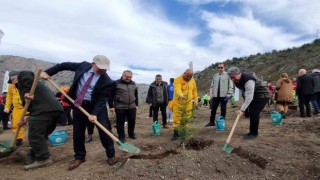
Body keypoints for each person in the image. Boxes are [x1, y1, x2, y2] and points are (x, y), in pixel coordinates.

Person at [41, 55, 117, 170]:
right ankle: (80, 156)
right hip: (79, 105)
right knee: (78, 132)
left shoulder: (107, 81)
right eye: (100, 67)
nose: (103, 70)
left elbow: (102, 100)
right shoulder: (83, 66)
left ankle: (111, 154)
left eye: (105, 68)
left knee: (104, 131)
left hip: (96, 107)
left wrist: (94, 114)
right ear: (93, 64)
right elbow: (63, 65)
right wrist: (48, 72)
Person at [17, 71, 64, 170]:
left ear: (15, 79)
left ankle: (43, 159)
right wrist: (27, 116)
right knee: (41, 135)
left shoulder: (24, 82)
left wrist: (25, 91)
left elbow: (27, 74)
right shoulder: (37, 87)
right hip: (54, 110)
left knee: (35, 136)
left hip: (43, 110)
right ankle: (33, 154)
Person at [227, 67, 269, 139]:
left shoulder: (248, 80)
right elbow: (240, 91)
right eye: (231, 78)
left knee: (254, 112)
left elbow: (249, 97)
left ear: (239, 74)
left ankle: (253, 133)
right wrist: (239, 104)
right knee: (251, 111)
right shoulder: (236, 80)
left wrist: (242, 110)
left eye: (233, 77)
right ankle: (252, 132)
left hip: (262, 95)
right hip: (255, 95)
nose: (233, 80)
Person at [109, 70, 138, 143]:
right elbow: (110, 95)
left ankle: (131, 134)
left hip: (132, 106)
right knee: (120, 122)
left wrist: (136, 104)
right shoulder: (116, 83)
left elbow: (136, 94)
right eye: (127, 77)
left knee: (132, 121)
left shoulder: (133, 83)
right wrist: (111, 106)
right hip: (120, 106)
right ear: (123, 75)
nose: (128, 78)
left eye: (130, 77)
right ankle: (121, 137)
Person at [171, 69, 198, 140]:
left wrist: (195, 99)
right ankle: (176, 133)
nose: (188, 78)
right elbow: (177, 88)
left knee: (186, 117)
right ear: (184, 73)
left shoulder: (192, 80)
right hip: (178, 103)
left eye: (190, 77)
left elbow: (194, 90)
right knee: (177, 118)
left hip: (188, 103)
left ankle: (184, 131)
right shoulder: (177, 79)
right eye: (187, 76)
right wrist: (180, 94)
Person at [5, 71, 25, 146]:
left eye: (16, 78)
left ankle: (41, 137)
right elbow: (9, 97)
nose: (14, 80)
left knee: (35, 122)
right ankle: (19, 139)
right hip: (17, 108)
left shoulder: (24, 84)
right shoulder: (10, 86)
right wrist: (7, 107)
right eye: (12, 79)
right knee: (17, 124)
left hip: (27, 107)